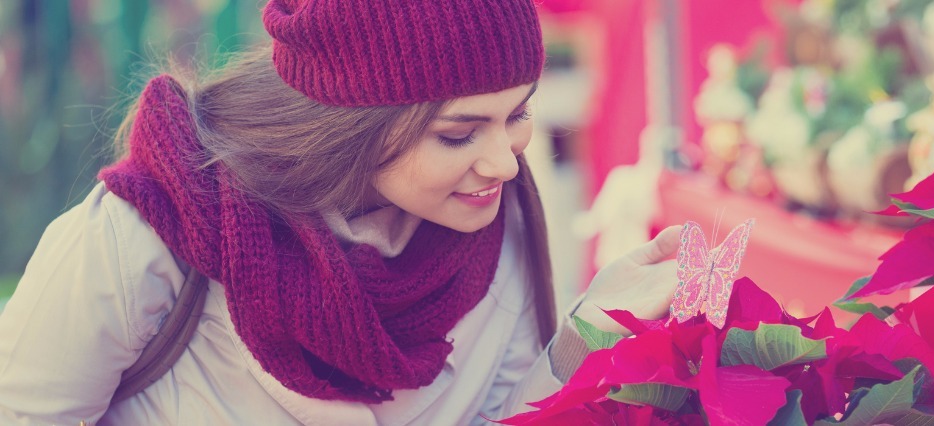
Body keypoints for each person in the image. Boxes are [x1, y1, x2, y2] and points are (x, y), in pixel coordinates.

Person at [0, 0, 681, 424]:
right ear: (354, 124)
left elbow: (498, 417)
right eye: (458, 133)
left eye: (519, 113)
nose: (505, 162)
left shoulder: (492, 221)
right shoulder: (147, 231)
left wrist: (588, 333)